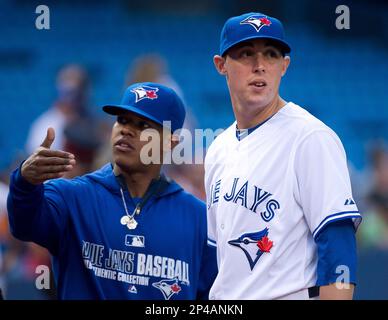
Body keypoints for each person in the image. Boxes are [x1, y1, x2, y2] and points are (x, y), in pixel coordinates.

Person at [7, 82, 217, 300]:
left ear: (171, 142)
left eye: (143, 125)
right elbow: (24, 226)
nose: (126, 129)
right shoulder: (72, 197)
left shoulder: (199, 218)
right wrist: (25, 182)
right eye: (122, 120)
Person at [205, 12, 362, 300]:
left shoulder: (311, 138)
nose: (260, 65)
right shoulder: (217, 150)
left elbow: (338, 247)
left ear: (284, 65)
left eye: (271, 54)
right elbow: (219, 260)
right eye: (245, 53)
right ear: (221, 65)